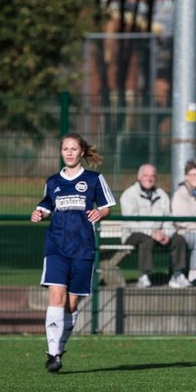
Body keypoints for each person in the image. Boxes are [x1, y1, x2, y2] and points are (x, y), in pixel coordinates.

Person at [31, 133, 115, 373]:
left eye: (73, 149)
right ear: (61, 152)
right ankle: (53, 353)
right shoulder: (53, 181)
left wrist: (100, 213)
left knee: (70, 304)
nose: (69, 152)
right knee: (56, 298)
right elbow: (46, 205)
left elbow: (107, 206)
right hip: (56, 247)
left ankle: (60, 347)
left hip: (82, 248)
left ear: (81, 152)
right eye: (65, 149)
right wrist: (39, 214)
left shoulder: (94, 179)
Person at [118, 163, 188, 288]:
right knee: (146, 240)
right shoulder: (129, 194)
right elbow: (130, 222)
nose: (149, 179)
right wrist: (152, 232)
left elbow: (168, 219)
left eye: (152, 176)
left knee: (178, 239)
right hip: (133, 235)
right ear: (139, 177)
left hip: (158, 235)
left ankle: (177, 275)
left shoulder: (162, 195)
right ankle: (143, 276)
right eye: (145, 175)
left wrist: (166, 233)